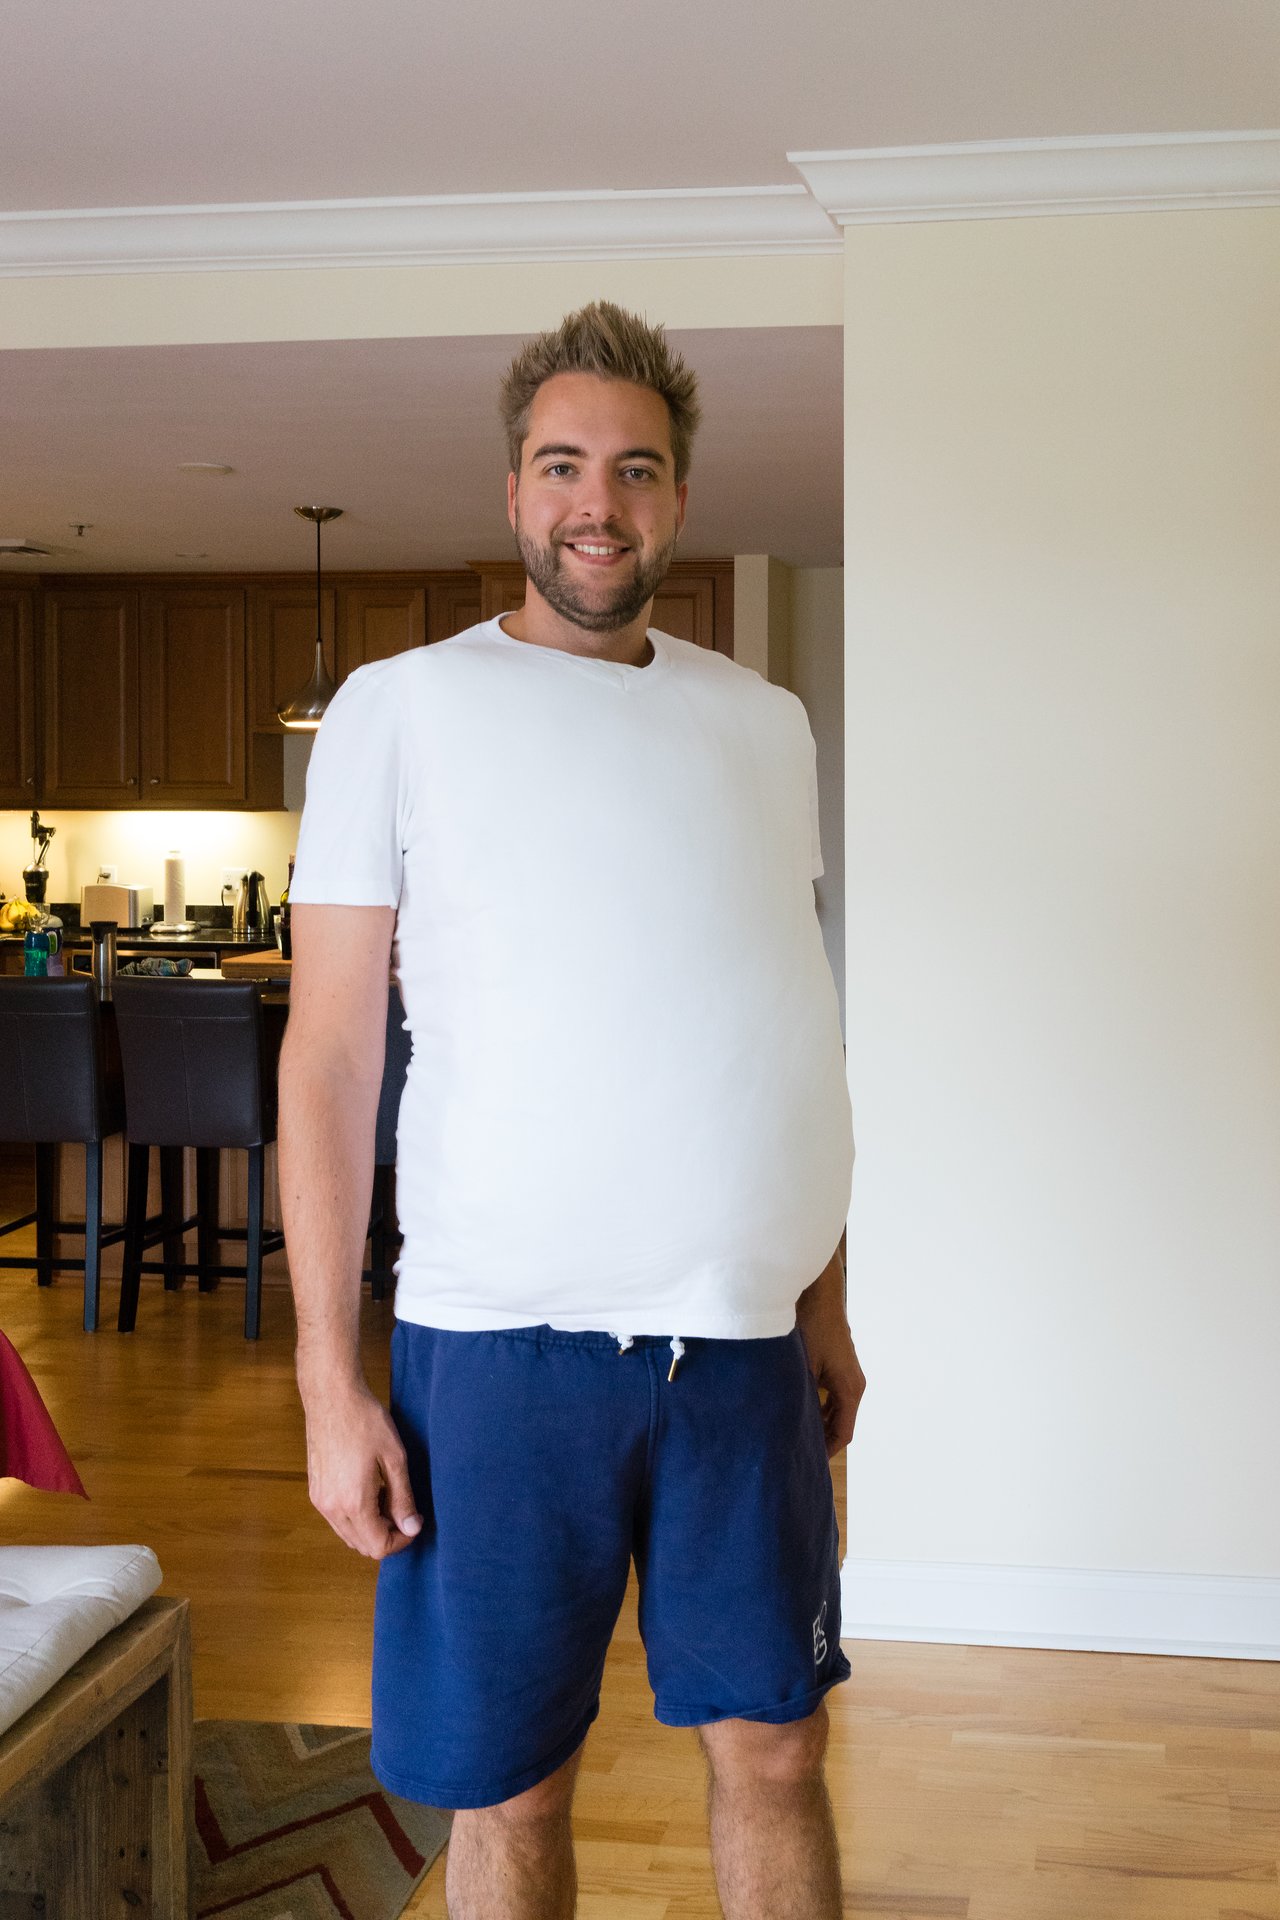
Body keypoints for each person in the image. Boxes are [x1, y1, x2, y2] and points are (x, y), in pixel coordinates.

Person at [278, 299, 866, 1920]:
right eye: (561, 465)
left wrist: (823, 1295)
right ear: (515, 489)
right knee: (510, 1787)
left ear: (676, 497)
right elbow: (326, 1060)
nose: (596, 501)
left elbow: (785, 1022)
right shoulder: (402, 710)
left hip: (740, 1353)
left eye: (635, 467)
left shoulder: (766, 725)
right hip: (499, 1355)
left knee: (776, 1752)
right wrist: (332, 1383)